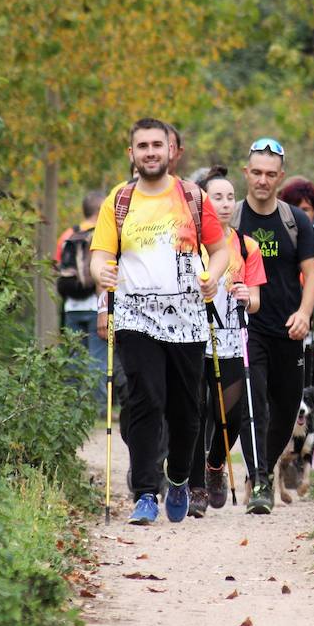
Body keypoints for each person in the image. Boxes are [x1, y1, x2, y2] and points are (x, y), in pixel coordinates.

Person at [90, 118, 229, 526]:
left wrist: (213, 276)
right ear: (131, 153)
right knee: (145, 399)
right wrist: (102, 272)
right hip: (135, 315)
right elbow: (100, 254)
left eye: (157, 145)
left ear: (171, 151)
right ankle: (146, 492)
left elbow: (219, 250)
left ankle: (181, 477)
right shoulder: (119, 200)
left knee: (187, 409)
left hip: (186, 316)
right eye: (142, 146)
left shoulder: (192, 197)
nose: (151, 152)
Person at [233, 137, 314, 514]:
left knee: (286, 410)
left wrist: (305, 313)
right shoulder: (233, 218)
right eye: (256, 172)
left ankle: (264, 468)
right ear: (246, 173)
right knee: (252, 403)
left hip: (289, 329)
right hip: (246, 326)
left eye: (271, 174)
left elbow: (313, 271)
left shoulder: (295, 219)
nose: (262, 180)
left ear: (280, 176)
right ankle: (260, 478)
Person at [186, 167, 266, 518]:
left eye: (230, 197)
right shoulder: (187, 241)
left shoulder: (246, 246)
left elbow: (258, 300)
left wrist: (246, 295)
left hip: (232, 337)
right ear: (202, 200)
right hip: (191, 336)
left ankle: (215, 464)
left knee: (230, 414)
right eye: (216, 197)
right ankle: (196, 487)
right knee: (195, 411)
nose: (225, 203)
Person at [278, 176, 314, 491]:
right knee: (288, 392)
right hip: (287, 326)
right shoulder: (281, 234)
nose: (304, 214)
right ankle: (284, 453)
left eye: (309, 209)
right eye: (298, 208)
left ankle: (307, 450)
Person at [53, 190, 110, 407]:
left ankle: (71, 406)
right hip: (97, 306)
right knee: (97, 359)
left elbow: (59, 267)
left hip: (71, 307)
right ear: (99, 210)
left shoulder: (68, 235)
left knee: (73, 358)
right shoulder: (103, 234)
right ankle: (98, 408)